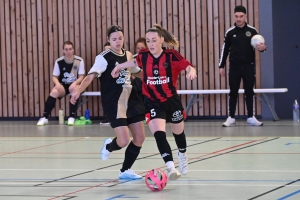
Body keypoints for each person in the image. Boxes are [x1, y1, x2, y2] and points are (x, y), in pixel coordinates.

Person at [111, 24, 197, 180]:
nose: (150, 44)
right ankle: (170, 167)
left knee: (179, 134)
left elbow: (188, 66)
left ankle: (182, 154)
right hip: (152, 102)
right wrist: (119, 67)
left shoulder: (171, 55)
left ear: (161, 40)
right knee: (159, 134)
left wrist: (191, 71)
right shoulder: (144, 55)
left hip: (172, 101)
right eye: (148, 41)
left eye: (154, 40)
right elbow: (134, 62)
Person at [70, 25, 145, 180]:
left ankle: (125, 170)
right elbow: (90, 77)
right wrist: (78, 90)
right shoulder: (103, 57)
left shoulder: (128, 54)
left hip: (131, 99)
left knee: (140, 137)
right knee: (123, 140)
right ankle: (109, 146)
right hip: (114, 102)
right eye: (114, 39)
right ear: (108, 40)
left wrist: (154, 76)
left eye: (120, 38)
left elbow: (137, 73)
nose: (118, 42)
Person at [219, 5, 267, 127]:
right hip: (234, 67)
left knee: (249, 91)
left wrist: (263, 49)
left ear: (245, 16)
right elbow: (225, 50)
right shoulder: (230, 32)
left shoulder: (252, 31)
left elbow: (260, 46)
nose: (239, 19)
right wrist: (221, 66)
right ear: (234, 16)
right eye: (236, 16)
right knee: (233, 92)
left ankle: (251, 117)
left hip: (249, 66)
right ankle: (231, 117)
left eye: (241, 16)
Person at [37, 41, 85, 126]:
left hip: (75, 85)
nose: (68, 51)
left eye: (70, 49)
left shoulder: (79, 60)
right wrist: (57, 84)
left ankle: (71, 117)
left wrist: (75, 83)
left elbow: (81, 77)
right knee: (54, 91)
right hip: (63, 85)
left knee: (74, 89)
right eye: (66, 49)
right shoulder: (59, 61)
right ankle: (44, 117)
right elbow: (54, 77)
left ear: (73, 50)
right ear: (63, 51)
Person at [100, 42, 111, 125]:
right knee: (105, 99)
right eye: (106, 49)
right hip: (105, 85)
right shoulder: (101, 60)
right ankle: (107, 117)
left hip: (117, 85)